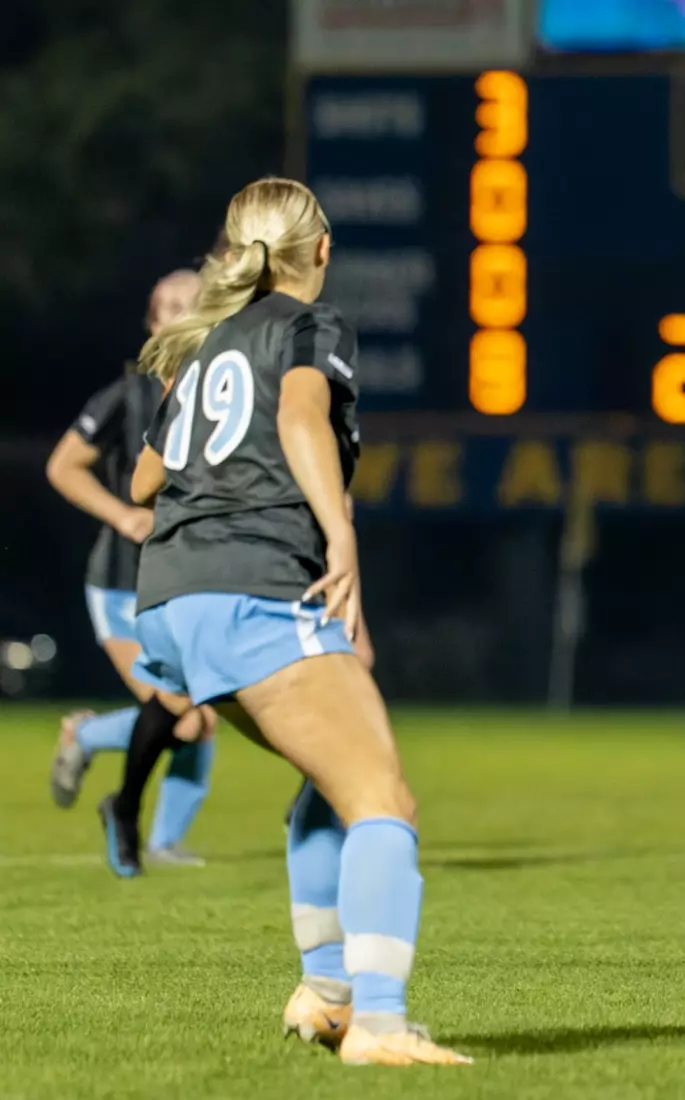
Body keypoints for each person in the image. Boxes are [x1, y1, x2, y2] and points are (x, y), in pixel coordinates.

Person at [117, 176, 467, 1065]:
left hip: (168, 602)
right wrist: (340, 536)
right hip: (252, 591)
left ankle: (327, 994)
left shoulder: (200, 346)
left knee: (331, 785)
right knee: (382, 800)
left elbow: (143, 483)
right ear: (319, 249)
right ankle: (380, 1027)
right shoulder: (311, 325)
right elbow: (302, 414)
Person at [46, 270, 217, 866]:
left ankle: (165, 842)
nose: (174, 315)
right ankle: (85, 737)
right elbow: (63, 466)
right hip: (122, 585)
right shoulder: (128, 395)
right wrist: (123, 516)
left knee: (204, 715)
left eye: (188, 305)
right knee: (187, 720)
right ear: (150, 323)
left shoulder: (225, 389)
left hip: (184, 580)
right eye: (164, 307)